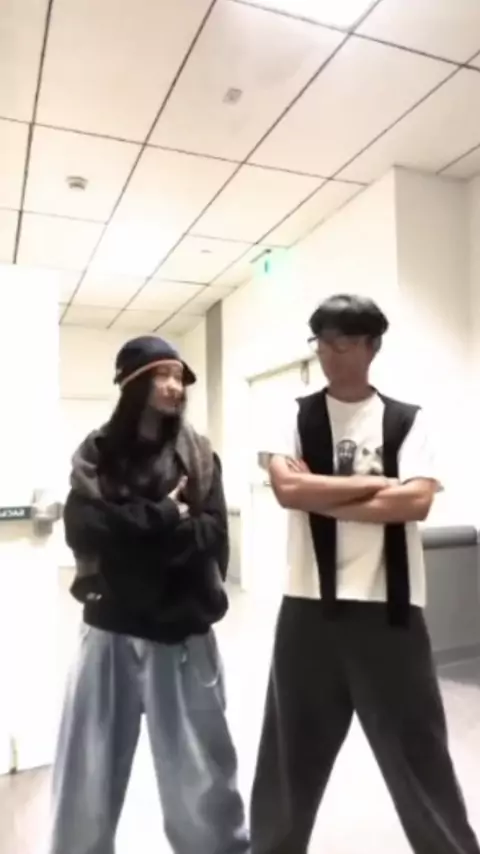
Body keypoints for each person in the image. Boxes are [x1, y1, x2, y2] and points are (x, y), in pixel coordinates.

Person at [250, 294, 479, 854]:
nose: (330, 353)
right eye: (322, 342)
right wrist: (379, 484)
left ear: (372, 347)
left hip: (390, 612)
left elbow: (415, 503)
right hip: (307, 609)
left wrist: (321, 493)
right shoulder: (292, 415)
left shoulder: (407, 420)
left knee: (419, 754)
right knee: (289, 755)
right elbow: (288, 490)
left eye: (344, 342)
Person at [48, 336, 249, 854]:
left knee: (202, 777)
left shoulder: (200, 457)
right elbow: (82, 528)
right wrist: (162, 516)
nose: (175, 386)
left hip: (181, 634)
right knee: (88, 770)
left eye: (180, 377)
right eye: (163, 375)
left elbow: (210, 535)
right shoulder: (98, 456)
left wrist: (129, 537)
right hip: (108, 631)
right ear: (133, 384)